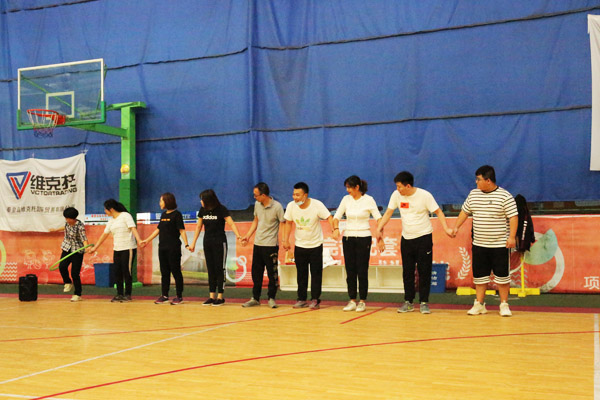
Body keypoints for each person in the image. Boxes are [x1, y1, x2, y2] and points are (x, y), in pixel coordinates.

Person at [377, 171, 453, 314]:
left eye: (399, 186)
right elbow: (388, 213)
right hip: (406, 239)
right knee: (407, 272)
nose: (397, 189)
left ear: (408, 186)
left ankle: (424, 302)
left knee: (424, 271)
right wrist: (379, 228)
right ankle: (408, 301)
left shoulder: (425, 196)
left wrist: (446, 229)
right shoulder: (396, 195)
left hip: (423, 237)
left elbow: (439, 212)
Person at [452, 165, 518, 317]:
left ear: (488, 180)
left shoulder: (505, 196)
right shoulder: (473, 194)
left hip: (499, 245)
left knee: (502, 277)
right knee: (480, 277)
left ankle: (504, 305)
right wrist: (456, 227)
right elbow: (465, 212)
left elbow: (513, 217)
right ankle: (479, 304)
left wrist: (511, 237)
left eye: (479, 179)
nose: (476, 182)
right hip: (479, 244)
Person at [332, 176, 382, 312]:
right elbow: (336, 217)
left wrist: (380, 236)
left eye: (349, 187)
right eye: (346, 187)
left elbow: (379, 218)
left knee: (362, 270)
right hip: (348, 238)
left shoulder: (368, 200)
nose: (347, 190)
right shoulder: (345, 199)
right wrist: (336, 228)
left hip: (363, 238)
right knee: (350, 270)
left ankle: (362, 301)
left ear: (357, 187)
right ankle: (352, 300)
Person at [283, 182, 333, 309]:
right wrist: (286, 239)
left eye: (298, 195)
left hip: (315, 245)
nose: (295, 197)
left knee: (316, 274)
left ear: (305, 195)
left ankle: (315, 299)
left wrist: (335, 229)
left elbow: (329, 217)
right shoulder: (291, 206)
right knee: (301, 274)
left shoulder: (317, 205)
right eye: (294, 194)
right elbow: (288, 223)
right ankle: (301, 299)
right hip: (300, 245)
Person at [189, 189, 242, 306]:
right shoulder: (202, 210)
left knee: (219, 269)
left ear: (208, 200)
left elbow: (231, 223)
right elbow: (198, 227)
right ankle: (211, 296)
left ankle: (220, 297)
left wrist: (238, 236)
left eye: (202, 199)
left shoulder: (221, 209)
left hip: (220, 242)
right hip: (207, 242)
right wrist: (193, 243)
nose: (201, 201)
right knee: (211, 269)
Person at [240, 182, 285, 309]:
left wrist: (284, 240)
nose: (254, 197)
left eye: (256, 195)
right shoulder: (257, 205)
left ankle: (271, 298)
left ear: (264, 195)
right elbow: (256, 221)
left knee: (272, 274)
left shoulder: (277, 207)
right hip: (258, 244)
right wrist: (248, 235)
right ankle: (255, 298)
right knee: (256, 273)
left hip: (271, 245)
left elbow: (283, 223)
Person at [89, 199, 142, 302]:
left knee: (126, 271)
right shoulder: (111, 221)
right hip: (117, 249)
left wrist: (139, 240)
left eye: (105, 209)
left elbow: (133, 228)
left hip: (128, 248)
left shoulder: (125, 216)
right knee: (117, 272)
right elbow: (104, 235)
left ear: (111, 209)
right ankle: (119, 294)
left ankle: (128, 294)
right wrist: (95, 248)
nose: (105, 211)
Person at [141, 193, 190, 305]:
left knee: (176, 271)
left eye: (161, 201)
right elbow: (158, 230)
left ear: (167, 201)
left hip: (173, 248)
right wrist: (147, 240)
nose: (160, 203)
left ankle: (179, 296)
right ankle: (164, 295)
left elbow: (182, 230)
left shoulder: (177, 214)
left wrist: (187, 244)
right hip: (162, 248)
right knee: (164, 272)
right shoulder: (163, 215)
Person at [54, 207, 89, 302]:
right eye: (66, 218)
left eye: (68, 218)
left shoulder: (80, 226)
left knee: (75, 273)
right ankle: (67, 282)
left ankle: (77, 294)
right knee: (62, 266)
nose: (67, 220)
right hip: (67, 248)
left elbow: (84, 238)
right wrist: (55, 229)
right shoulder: (67, 224)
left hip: (77, 250)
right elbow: (65, 228)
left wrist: (86, 247)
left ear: (74, 218)